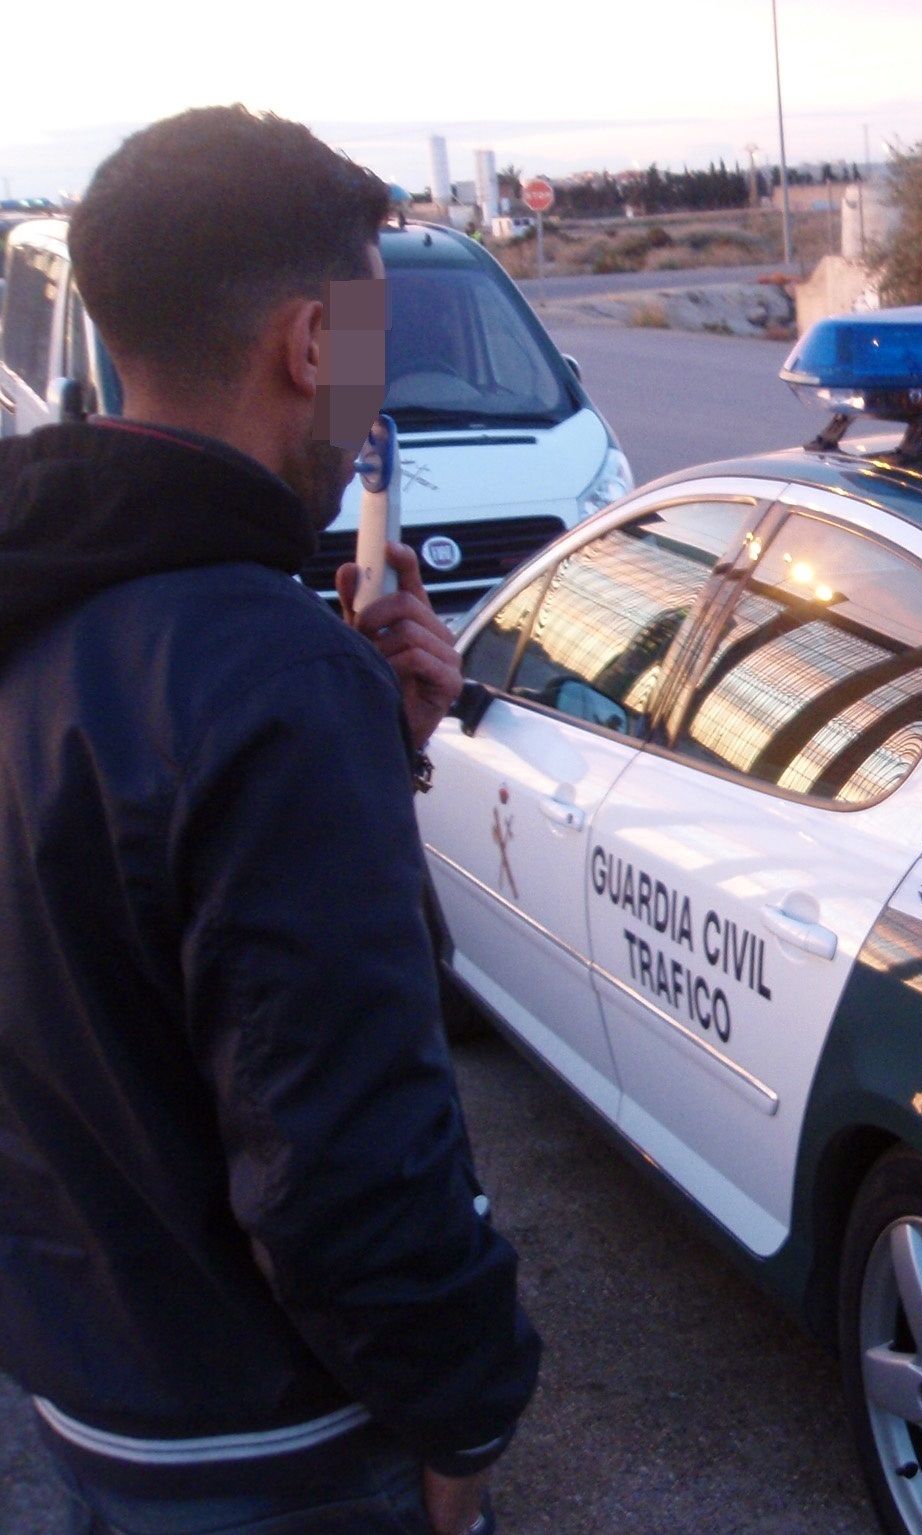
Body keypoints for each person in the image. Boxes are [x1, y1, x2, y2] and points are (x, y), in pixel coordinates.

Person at [0, 108, 539, 1534]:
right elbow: (345, 1159)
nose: (369, 399)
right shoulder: (270, 680)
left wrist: (381, 751)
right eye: (367, 348)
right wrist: (468, 1413)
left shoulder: (44, 592)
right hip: (275, 1439)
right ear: (311, 344)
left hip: (84, 1373)